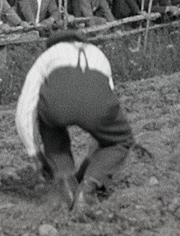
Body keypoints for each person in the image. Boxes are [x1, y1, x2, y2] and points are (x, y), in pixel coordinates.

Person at [15, 31, 135, 210]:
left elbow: (26, 106)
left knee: (49, 126)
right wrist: (93, 157)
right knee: (120, 141)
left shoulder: (48, 56)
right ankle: (88, 187)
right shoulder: (97, 53)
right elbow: (108, 96)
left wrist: (34, 153)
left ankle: (66, 182)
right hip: (97, 103)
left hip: (56, 106)